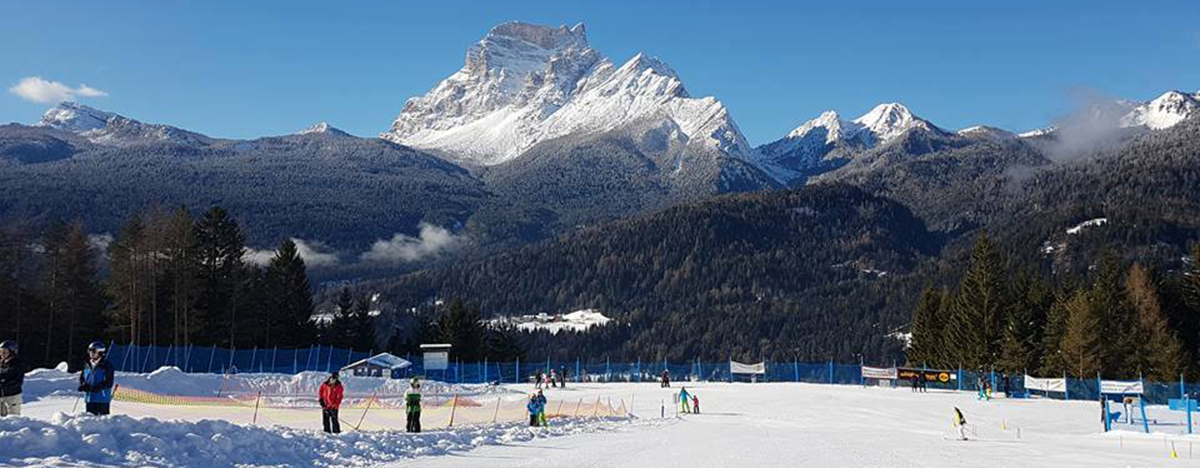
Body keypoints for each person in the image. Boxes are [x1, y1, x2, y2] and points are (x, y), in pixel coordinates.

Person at [79, 341, 115, 416]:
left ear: (100, 353)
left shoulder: (106, 366)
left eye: (93, 351)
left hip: (101, 399)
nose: (91, 353)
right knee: (90, 419)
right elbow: (82, 377)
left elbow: (109, 382)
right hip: (89, 398)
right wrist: (83, 385)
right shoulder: (87, 364)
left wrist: (97, 388)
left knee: (101, 421)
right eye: (89, 351)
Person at [0, 341, 22, 417]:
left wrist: (4, 383)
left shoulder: (17, 364)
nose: (2, 354)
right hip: (1, 396)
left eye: (5, 351)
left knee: (13, 418)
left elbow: (18, 381)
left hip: (12, 396)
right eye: (1, 351)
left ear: (12, 352)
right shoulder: (1, 364)